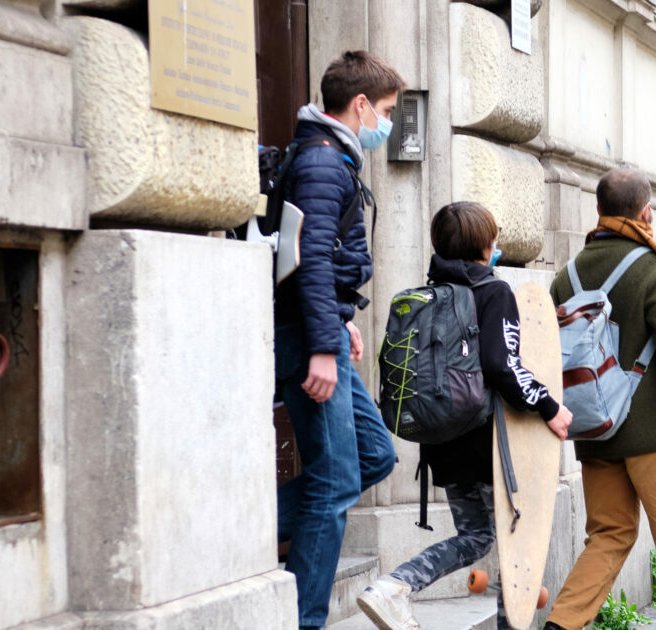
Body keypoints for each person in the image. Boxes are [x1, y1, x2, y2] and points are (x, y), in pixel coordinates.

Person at [355, 202, 573, 630]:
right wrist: (549, 406)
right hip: (491, 445)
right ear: (484, 245)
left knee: (477, 537)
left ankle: (394, 587)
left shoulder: (429, 294)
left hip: (442, 442)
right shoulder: (493, 292)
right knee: (519, 550)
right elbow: (501, 364)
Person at [543, 168, 656, 630]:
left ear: (597, 211)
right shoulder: (654, 267)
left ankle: (561, 623)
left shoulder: (568, 275)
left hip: (595, 428)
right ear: (647, 212)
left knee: (608, 535)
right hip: (653, 432)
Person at [274, 50, 406, 630]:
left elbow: (321, 258)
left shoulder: (331, 159)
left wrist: (342, 318)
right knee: (334, 481)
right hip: (307, 339)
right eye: (385, 111)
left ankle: (266, 519)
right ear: (359, 105)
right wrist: (325, 345)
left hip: (320, 326)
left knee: (374, 455)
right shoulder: (325, 162)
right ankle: (305, 621)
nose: (387, 123)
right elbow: (308, 263)